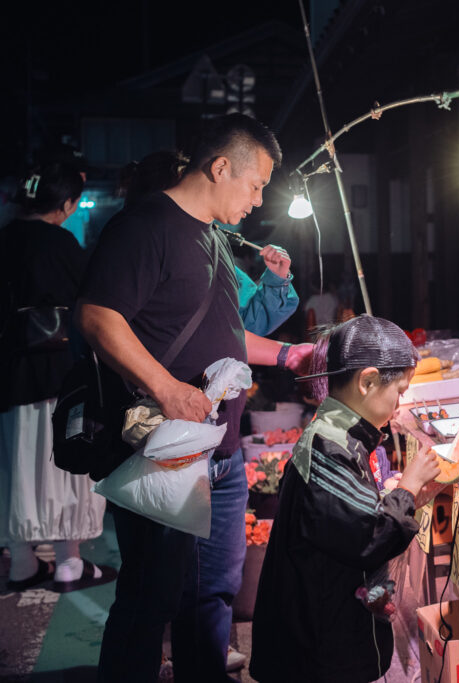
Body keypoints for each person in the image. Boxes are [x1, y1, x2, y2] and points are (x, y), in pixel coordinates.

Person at [76, 113, 312, 682]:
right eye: (255, 184)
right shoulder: (146, 226)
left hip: (224, 451)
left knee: (213, 596)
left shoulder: (215, 239)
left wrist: (289, 355)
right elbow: (96, 317)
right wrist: (166, 387)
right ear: (221, 166)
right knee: (150, 597)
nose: (258, 200)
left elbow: (228, 333)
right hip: (169, 447)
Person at [249, 315, 441, 683]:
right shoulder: (328, 446)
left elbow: (341, 528)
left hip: (330, 625)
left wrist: (400, 495)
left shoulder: (341, 436)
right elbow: (369, 538)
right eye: (399, 391)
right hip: (316, 651)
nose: (401, 405)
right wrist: (408, 488)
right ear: (367, 381)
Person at [0, 162, 116, 592]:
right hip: (58, 376)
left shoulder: (4, 239)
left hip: (8, 379)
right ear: (66, 205)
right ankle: (69, 562)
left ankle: (21, 564)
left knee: (13, 467)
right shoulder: (61, 244)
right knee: (63, 464)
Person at [119, 150, 300, 336]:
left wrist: (276, 281)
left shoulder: (214, 247)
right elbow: (105, 322)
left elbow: (244, 325)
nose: (258, 201)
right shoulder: (134, 237)